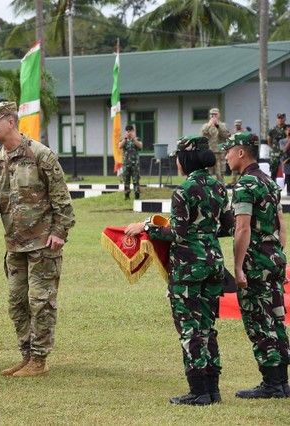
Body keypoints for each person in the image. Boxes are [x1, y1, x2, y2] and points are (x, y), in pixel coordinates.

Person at [126, 136, 234, 406]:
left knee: (189, 329)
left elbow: (177, 233)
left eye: (177, 157)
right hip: (213, 264)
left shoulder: (183, 190)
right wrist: (204, 232)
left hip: (188, 268)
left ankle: (198, 392)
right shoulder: (219, 188)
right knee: (208, 327)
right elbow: (227, 227)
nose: (175, 161)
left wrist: (147, 228)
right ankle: (213, 389)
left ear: (185, 159)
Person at [0, 101, 75, 377]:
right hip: (15, 244)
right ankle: (26, 355)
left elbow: (61, 199)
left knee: (40, 300)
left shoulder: (40, 155)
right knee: (16, 301)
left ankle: (40, 360)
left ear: (11, 121)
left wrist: (59, 232)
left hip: (44, 243)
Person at [223, 132, 290, 399]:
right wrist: (280, 256)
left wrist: (238, 267)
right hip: (274, 258)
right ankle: (282, 382)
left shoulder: (245, 185)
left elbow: (242, 228)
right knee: (276, 318)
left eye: (228, 152)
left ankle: (272, 384)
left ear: (241, 153)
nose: (226, 157)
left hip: (255, 263)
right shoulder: (269, 182)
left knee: (259, 321)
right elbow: (281, 225)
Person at [200, 107, 229, 182]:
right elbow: (202, 136)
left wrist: (218, 126)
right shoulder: (206, 126)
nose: (214, 116)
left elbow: (226, 136)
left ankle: (221, 189)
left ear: (219, 115)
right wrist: (209, 126)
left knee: (220, 173)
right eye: (212, 114)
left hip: (220, 152)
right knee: (208, 173)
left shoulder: (223, 125)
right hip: (209, 152)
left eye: (215, 114)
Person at [119, 124, 142, 200]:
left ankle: (137, 194)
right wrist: (125, 138)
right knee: (126, 180)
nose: (129, 132)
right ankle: (126, 195)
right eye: (128, 131)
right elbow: (120, 146)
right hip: (126, 164)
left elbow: (140, 146)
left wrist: (134, 138)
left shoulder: (137, 139)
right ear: (126, 132)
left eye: (131, 131)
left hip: (135, 164)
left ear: (133, 131)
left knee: (136, 180)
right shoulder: (123, 140)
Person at [267, 112, 287, 179]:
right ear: (276, 119)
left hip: (286, 154)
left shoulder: (288, 129)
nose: (280, 120)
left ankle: (287, 188)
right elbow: (269, 141)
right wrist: (275, 149)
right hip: (275, 154)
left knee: (287, 172)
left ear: (285, 119)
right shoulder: (272, 130)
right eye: (279, 118)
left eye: (282, 118)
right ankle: (273, 188)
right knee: (273, 172)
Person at [279, 125, 290, 194]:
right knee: (288, 178)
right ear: (285, 131)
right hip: (287, 162)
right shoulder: (282, 141)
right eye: (288, 130)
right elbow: (284, 150)